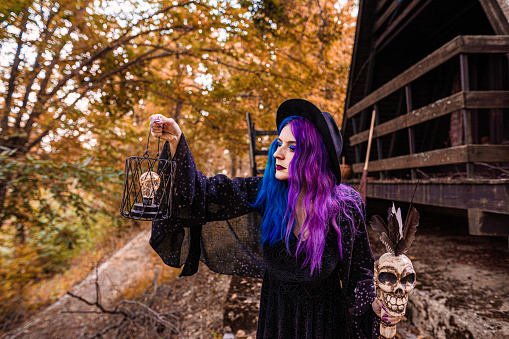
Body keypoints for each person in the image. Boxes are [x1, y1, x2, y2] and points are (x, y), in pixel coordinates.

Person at [149, 99, 400, 338]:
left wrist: (376, 304)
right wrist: (176, 140)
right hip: (277, 319)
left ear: (314, 156)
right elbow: (202, 194)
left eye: (291, 147)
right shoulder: (266, 194)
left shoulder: (345, 206)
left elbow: (361, 273)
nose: (277, 154)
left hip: (326, 323)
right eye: (278, 144)